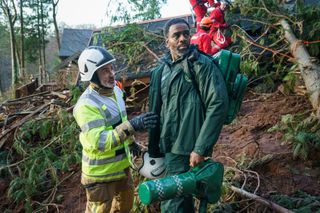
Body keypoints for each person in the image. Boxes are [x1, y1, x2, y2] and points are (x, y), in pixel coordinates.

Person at [148, 18, 229, 212]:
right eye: (176, 35)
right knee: (181, 201)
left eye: (186, 33)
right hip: (168, 146)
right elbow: (157, 109)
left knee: (173, 203)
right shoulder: (162, 70)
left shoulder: (201, 65)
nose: (183, 38)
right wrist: (154, 148)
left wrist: (200, 148)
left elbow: (217, 105)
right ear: (167, 41)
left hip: (188, 147)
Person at [73, 46, 158, 213]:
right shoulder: (86, 105)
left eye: (111, 68)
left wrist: (132, 143)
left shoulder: (117, 92)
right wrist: (133, 126)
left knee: (124, 207)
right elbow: (101, 141)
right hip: (100, 176)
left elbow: (119, 122)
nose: (111, 74)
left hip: (121, 168)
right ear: (91, 75)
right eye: (104, 71)